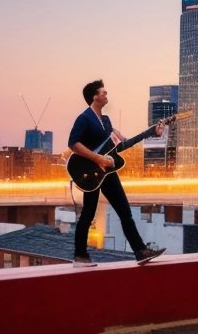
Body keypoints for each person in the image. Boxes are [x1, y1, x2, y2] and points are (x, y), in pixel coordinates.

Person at [68, 79, 166, 267]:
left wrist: (152, 132)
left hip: (106, 172)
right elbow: (73, 143)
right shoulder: (84, 118)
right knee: (88, 215)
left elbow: (121, 145)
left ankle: (140, 252)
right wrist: (98, 159)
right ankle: (80, 256)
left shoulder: (105, 121)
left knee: (125, 211)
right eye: (103, 92)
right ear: (94, 97)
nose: (106, 95)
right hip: (90, 172)